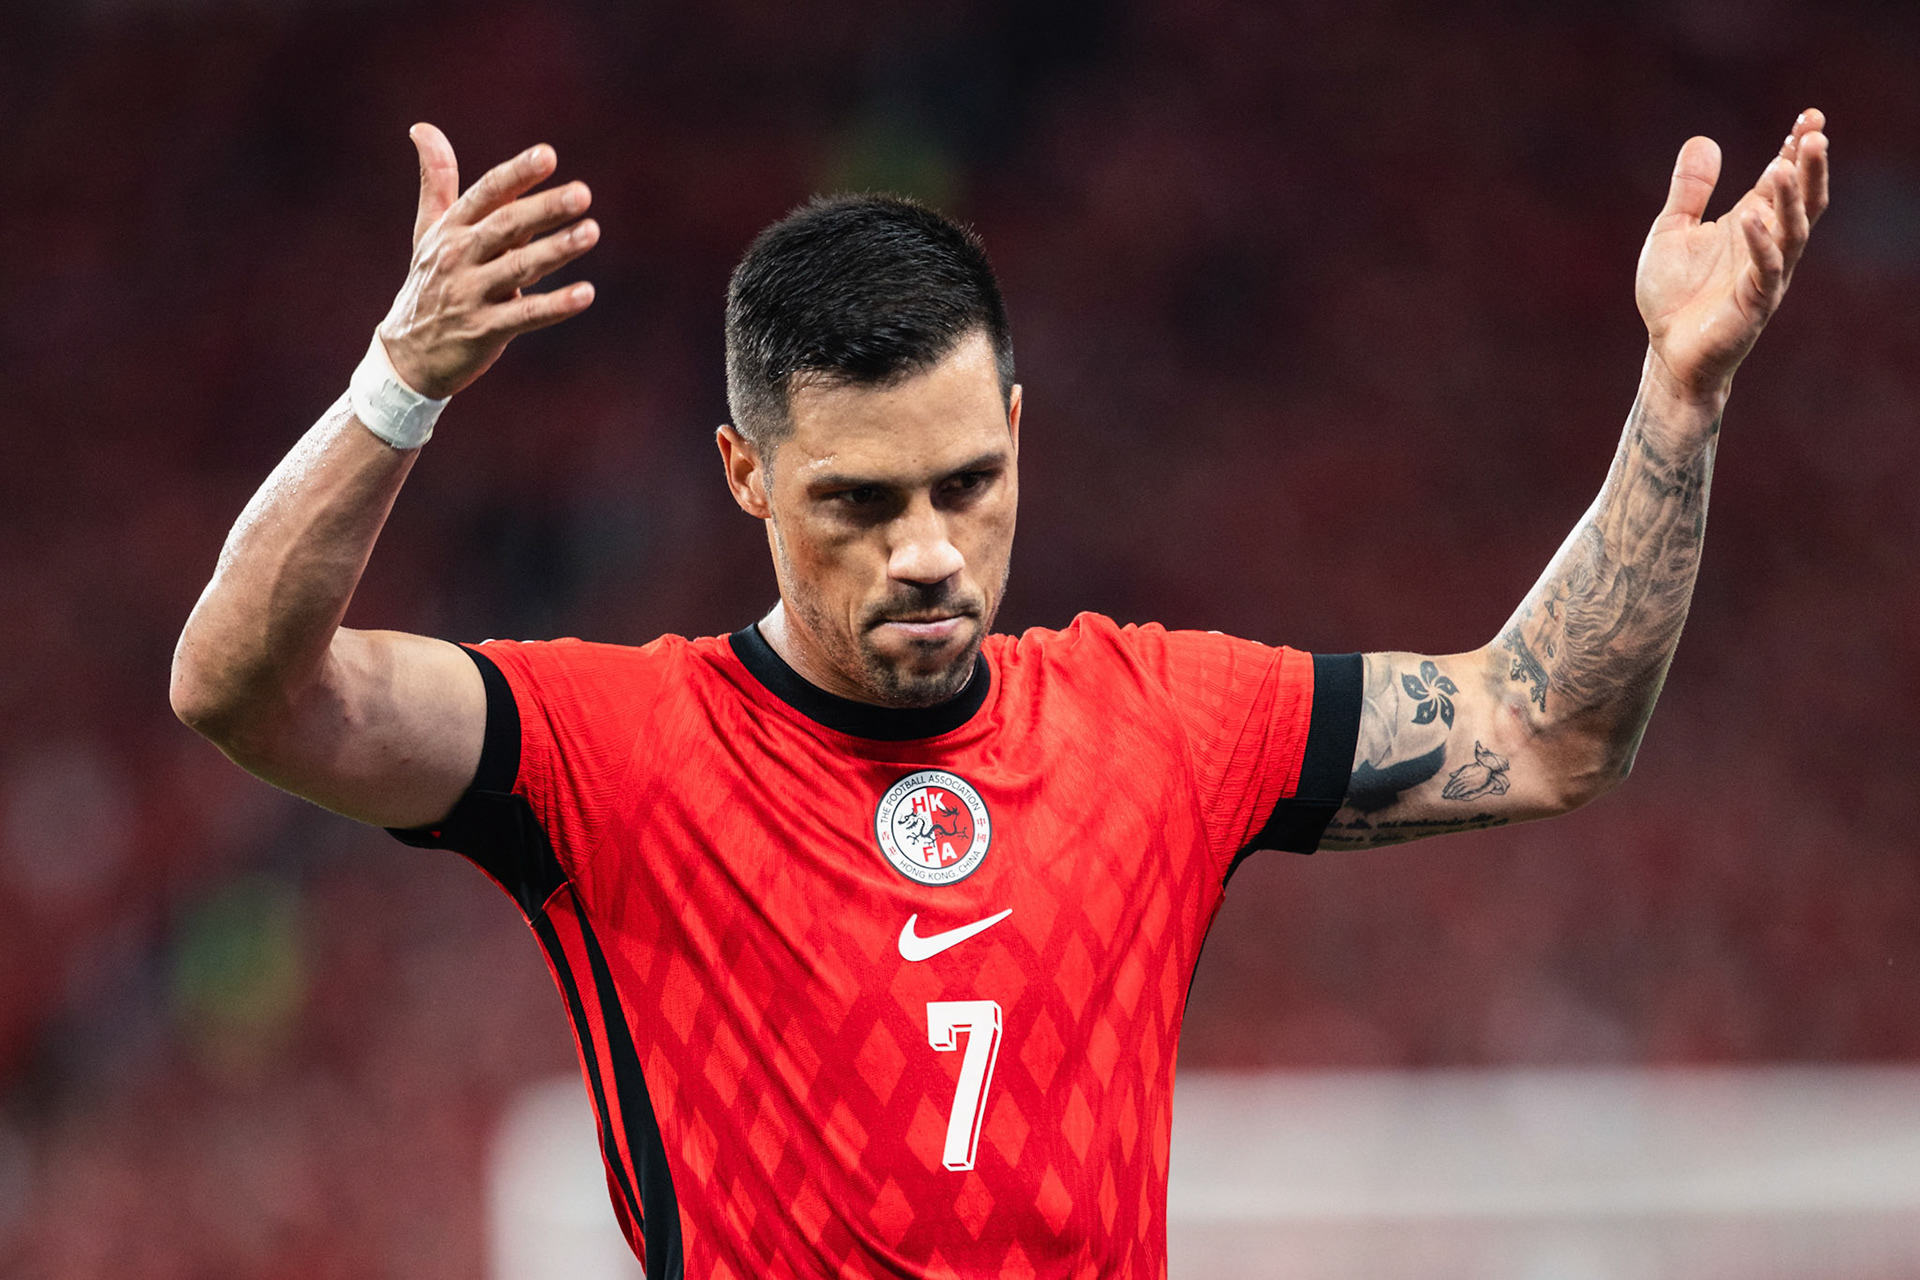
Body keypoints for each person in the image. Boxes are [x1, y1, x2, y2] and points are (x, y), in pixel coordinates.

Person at [171, 111, 1829, 1277]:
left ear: (1023, 436)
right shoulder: (613, 751)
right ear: (746, 475)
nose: (927, 551)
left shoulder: (1163, 723)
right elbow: (247, 692)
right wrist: (400, 384)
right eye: (860, 502)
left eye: (966, 485)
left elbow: (1547, 727)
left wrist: (1677, 400)